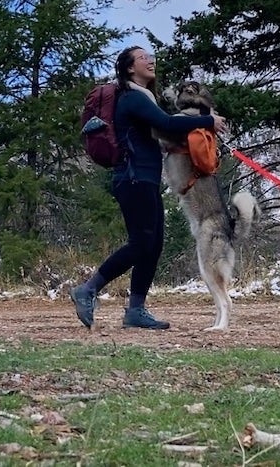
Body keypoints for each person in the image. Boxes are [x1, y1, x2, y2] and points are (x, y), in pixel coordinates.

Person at [71, 46, 227, 329]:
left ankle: (135, 310)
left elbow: (162, 129)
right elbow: (166, 122)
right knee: (141, 242)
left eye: (151, 57)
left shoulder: (144, 97)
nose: (150, 61)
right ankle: (88, 289)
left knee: (153, 245)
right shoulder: (131, 97)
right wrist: (209, 120)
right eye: (143, 58)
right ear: (130, 68)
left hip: (145, 179)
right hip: (133, 177)